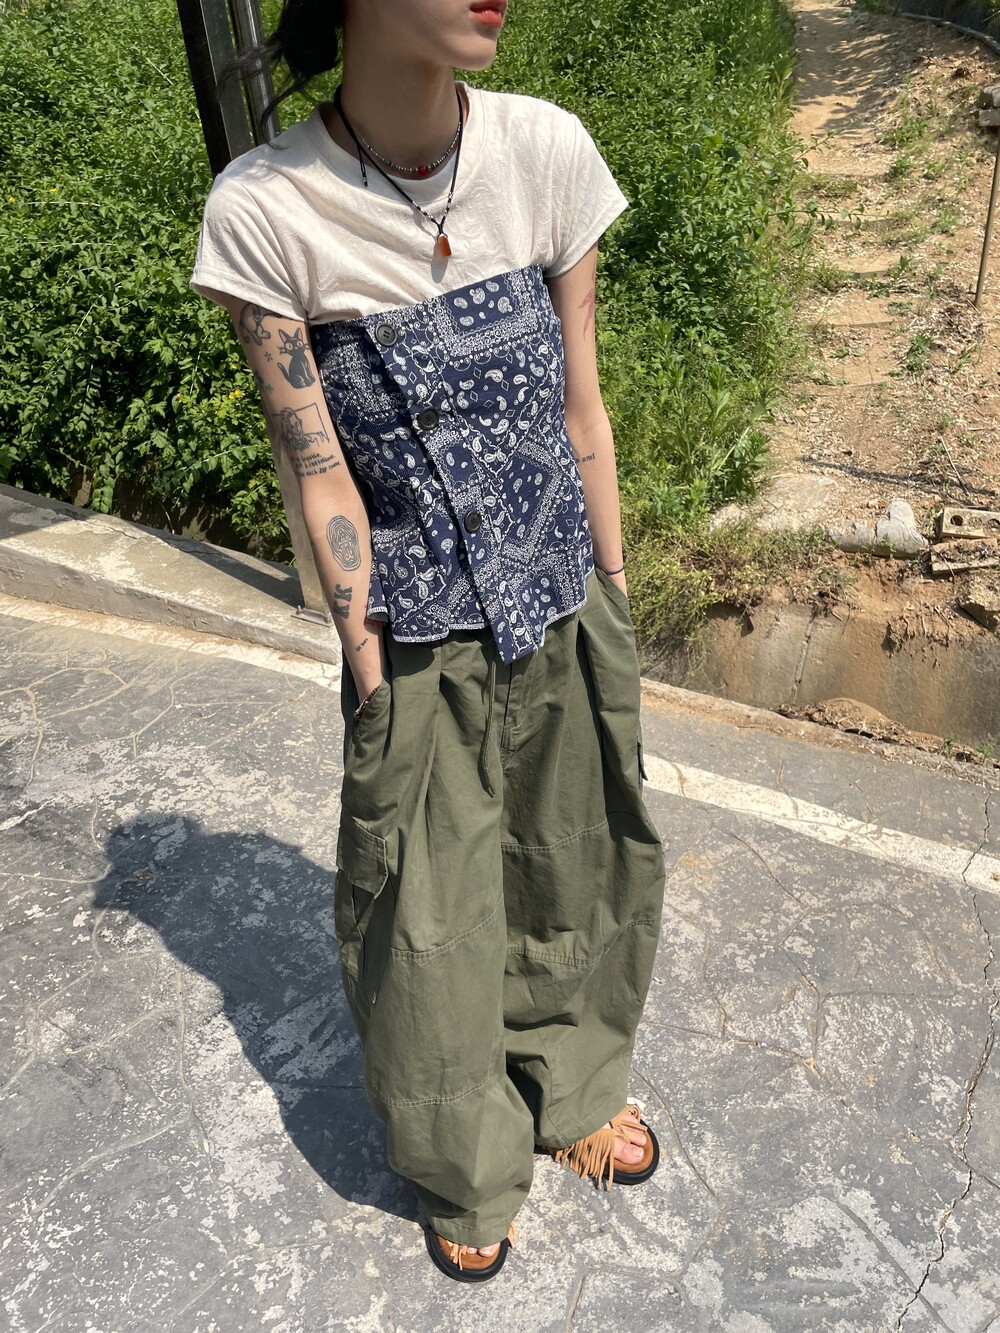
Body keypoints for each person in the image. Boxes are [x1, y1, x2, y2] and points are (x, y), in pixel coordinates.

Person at [190, 0, 666, 1283]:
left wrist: (614, 596)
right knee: (428, 915)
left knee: (580, 859)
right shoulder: (267, 207)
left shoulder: (544, 151)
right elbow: (317, 469)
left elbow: (582, 406)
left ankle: (572, 1085)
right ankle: (465, 1158)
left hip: (563, 595)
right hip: (412, 635)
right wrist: (363, 662)